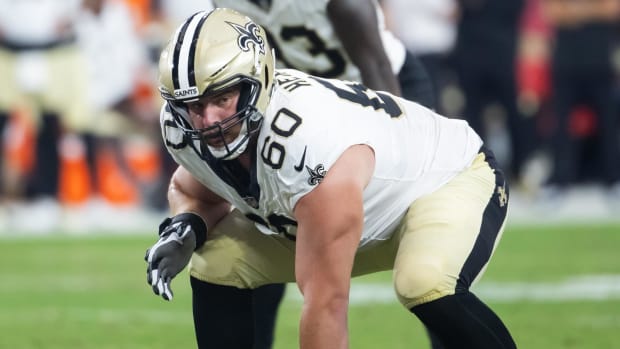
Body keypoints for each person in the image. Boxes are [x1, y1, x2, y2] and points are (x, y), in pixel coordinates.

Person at [145, 8, 516, 349]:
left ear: (256, 83)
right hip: (357, 207)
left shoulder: (309, 143)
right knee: (219, 261)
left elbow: (326, 307)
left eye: (222, 98)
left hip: (446, 178)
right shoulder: (181, 129)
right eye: (194, 105)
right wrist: (186, 226)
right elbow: (190, 189)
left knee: (423, 281)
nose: (208, 121)